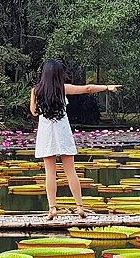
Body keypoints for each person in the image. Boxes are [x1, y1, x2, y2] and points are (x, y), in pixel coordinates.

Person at [31, 59, 119, 219]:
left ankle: (52, 209)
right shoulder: (63, 89)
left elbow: (34, 112)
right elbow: (87, 88)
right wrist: (107, 87)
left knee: (50, 173)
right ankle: (79, 207)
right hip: (62, 132)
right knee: (70, 170)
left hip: (46, 133)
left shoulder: (36, 91)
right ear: (58, 74)